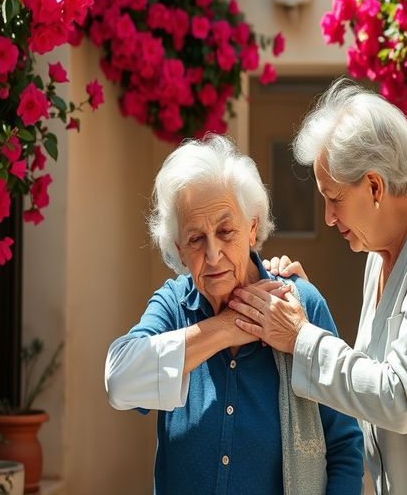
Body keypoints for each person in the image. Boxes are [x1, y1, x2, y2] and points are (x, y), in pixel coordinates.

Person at [230, 78, 407, 494]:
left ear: (375, 186)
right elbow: (367, 381)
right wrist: (306, 312)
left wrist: (300, 337)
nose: (328, 217)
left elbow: (398, 399)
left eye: (334, 198)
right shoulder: (377, 257)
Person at [104, 135, 364, 494]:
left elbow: (345, 445)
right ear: (179, 250)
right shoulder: (173, 306)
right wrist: (226, 328)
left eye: (226, 231)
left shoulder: (299, 303)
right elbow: (120, 381)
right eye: (196, 239)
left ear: (253, 228)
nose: (213, 255)